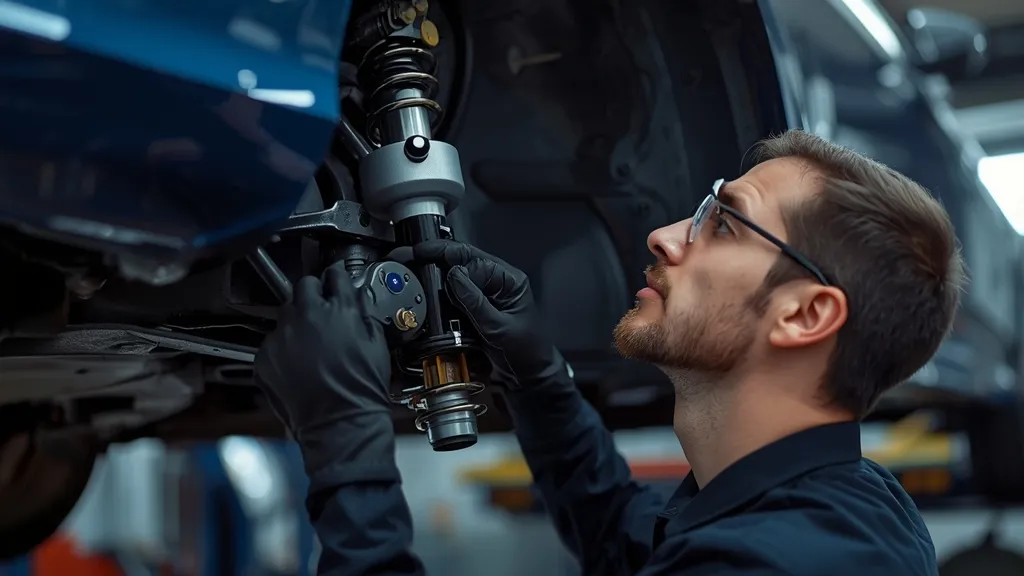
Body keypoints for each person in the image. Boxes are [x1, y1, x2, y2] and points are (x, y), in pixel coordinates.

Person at [254, 130, 963, 575]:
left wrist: (346, 448)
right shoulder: (841, 504)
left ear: (806, 313)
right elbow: (630, 542)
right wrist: (537, 381)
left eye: (726, 225)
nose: (666, 234)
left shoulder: (784, 559)